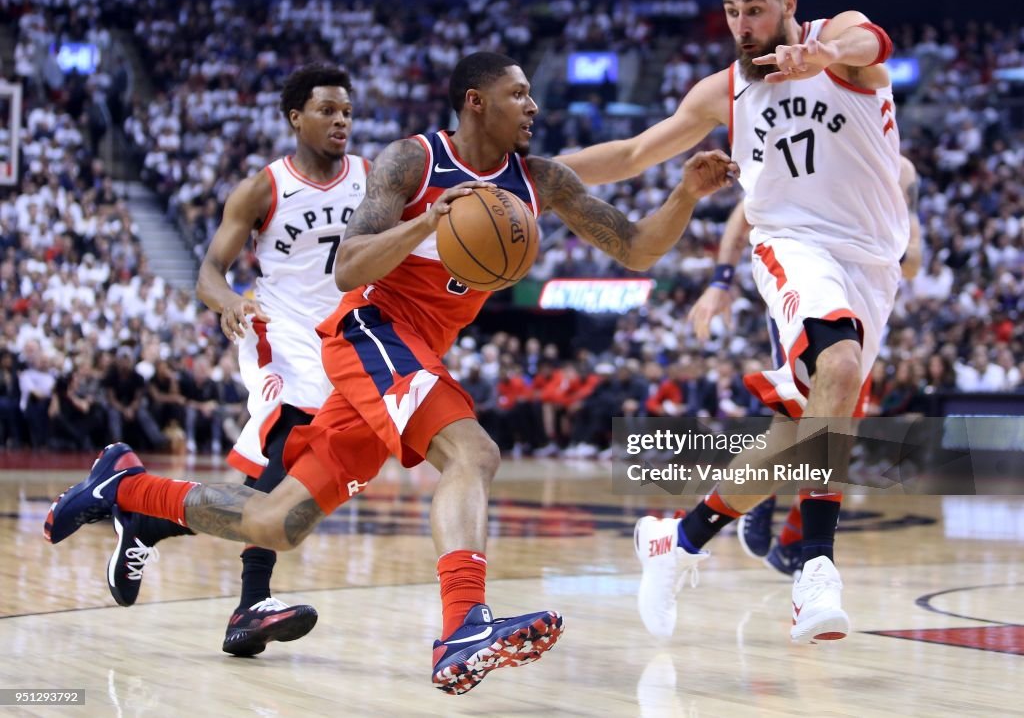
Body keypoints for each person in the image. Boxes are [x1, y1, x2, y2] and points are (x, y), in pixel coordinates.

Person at [45, 51, 737, 694]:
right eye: (517, 94)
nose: (532, 106)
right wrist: (422, 226)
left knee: (275, 521)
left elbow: (639, 247)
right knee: (474, 451)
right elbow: (348, 266)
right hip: (371, 329)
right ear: (475, 102)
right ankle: (463, 627)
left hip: (414, 353)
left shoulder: (541, 181)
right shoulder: (414, 161)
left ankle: (128, 486)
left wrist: (684, 193)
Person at [559, 0, 908, 644]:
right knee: (836, 369)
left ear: (786, 4)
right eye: (731, 11)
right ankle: (816, 571)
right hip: (792, 247)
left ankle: (678, 539)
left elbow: (873, 42)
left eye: (754, 8)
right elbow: (632, 154)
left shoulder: (840, 45)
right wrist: (533, 178)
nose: (742, 24)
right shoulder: (722, 91)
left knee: (797, 439)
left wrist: (823, 51)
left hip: (873, 264)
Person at [102, 63, 369, 658]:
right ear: (296, 117)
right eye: (327, 110)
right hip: (277, 328)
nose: (341, 121)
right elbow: (208, 274)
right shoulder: (262, 188)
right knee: (293, 436)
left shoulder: (372, 180)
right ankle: (251, 602)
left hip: (342, 337)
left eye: (347, 111)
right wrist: (227, 302)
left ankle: (144, 512)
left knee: (281, 482)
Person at [699, 155, 923, 573]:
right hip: (806, 285)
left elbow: (912, 262)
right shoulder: (817, 138)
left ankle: (791, 543)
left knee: (839, 425)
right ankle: (755, 500)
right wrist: (721, 279)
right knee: (802, 417)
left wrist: (889, 240)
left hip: (862, 297)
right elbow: (742, 216)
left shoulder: (901, 172)